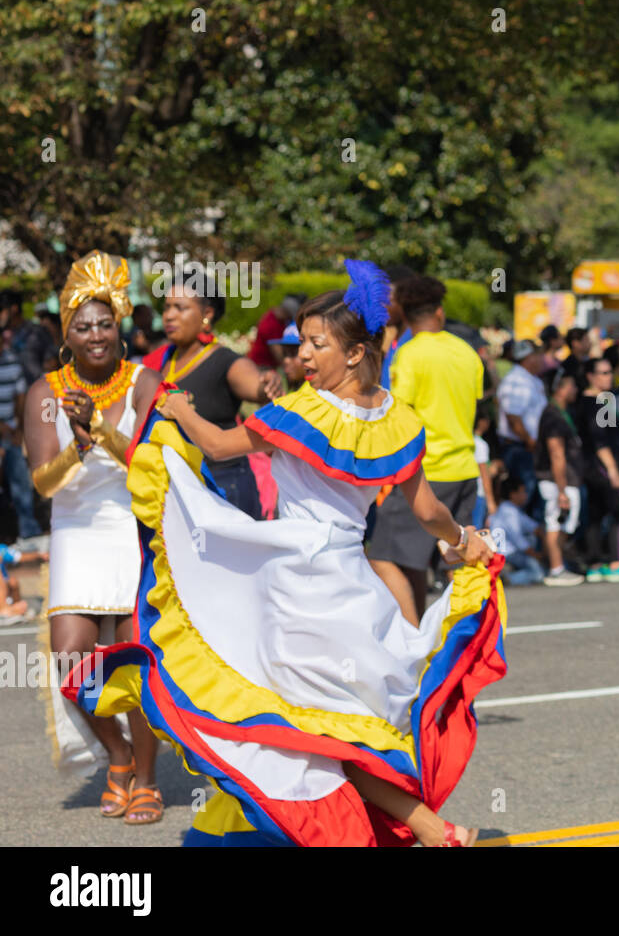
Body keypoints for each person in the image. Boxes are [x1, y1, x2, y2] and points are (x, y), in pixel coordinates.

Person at [64, 260, 501, 847]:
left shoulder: (303, 410)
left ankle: (431, 829)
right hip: (350, 580)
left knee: (301, 729)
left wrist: (178, 408)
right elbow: (427, 511)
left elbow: (218, 445)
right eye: (302, 342)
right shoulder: (396, 418)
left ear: (354, 354)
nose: (303, 354)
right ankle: (426, 828)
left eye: (317, 344)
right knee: (328, 725)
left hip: (298, 583)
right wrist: (461, 540)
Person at [28, 251, 163, 822]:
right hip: (78, 535)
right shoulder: (44, 392)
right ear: (68, 334)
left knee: (137, 664)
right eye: (83, 325)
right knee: (71, 660)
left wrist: (102, 430)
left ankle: (149, 779)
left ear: (120, 327)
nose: (96, 334)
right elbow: (42, 483)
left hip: (132, 531)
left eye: (105, 323)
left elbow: (152, 463)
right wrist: (78, 443)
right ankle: (118, 754)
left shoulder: (143, 381)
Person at [369, 276, 484, 617]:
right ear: (439, 311)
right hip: (465, 468)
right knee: (449, 561)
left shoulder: (410, 355)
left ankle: (411, 643)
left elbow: (399, 414)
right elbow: (475, 406)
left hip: (427, 473)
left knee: (382, 556)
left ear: (404, 313)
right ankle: (456, 641)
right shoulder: (466, 352)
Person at [154, 277, 281, 519]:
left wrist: (268, 383)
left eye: (180, 308)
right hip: (178, 488)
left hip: (222, 488)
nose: (169, 316)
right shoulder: (162, 361)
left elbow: (259, 388)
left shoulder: (225, 361)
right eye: (167, 307)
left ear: (207, 314)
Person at [575, 357, 619, 582]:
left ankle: (595, 563)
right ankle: (616, 562)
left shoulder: (598, 401)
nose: (608, 377)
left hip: (592, 465)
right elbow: (599, 442)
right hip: (601, 465)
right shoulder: (593, 402)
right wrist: (613, 470)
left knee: (596, 513)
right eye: (602, 373)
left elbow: (607, 432)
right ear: (590, 376)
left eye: (609, 372)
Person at [534, 372, 585, 587]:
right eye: (572, 386)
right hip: (557, 482)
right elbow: (556, 454)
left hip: (564, 480)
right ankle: (555, 569)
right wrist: (562, 490)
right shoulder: (553, 415)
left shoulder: (560, 412)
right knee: (556, 521)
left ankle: (558, 566)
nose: (575, 390)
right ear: (561, 388)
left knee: (563, 523)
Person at [0, 295, 41, 540]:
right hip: (3, 430)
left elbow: (21, 398)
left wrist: (17, 431)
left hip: (12, 432)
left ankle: (29, 530)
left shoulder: (11, 361)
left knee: (20, 483)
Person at [496, 339, 549, 507]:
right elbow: (514, 418)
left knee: (531, 496)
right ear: (529, 358)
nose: (542, 360)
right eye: (539, 356)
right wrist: (529, 440)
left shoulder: (529, 379)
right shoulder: (516, 381)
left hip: (527, 447)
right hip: (520, 449)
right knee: (522, 497)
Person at [490, 476, 546, 586]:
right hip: (506, 553)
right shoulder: (508, 511)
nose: (525, 495)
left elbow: (534, 527)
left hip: (511, 552)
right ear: (513, 494)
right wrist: (535, 554)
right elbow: (518, 539)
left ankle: (510, 573)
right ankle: (507, 579)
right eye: (523, 491)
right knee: (538, 573)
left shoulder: (512, 509)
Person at [246, 294, 302, 369]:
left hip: (268, 364)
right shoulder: (270, 324)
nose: (289, 319)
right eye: (289, 316)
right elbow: (277, 352)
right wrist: (290, 367)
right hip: (261, 365)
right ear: (286, 313)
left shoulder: (279, 319)